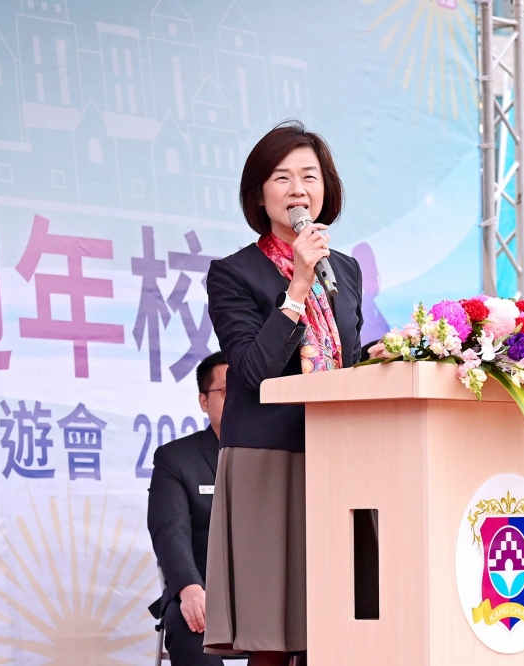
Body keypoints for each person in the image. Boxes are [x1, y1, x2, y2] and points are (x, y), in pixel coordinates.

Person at [203, 121, 364, 666]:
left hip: (341, 454)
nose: (298, 189)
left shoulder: (345, 270)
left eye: (309, 176)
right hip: (269, 457)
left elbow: (348, 360)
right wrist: (297, 284)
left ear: (326, 188)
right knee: (272, 629)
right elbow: (253, 372)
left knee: (340, 618)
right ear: (259, 194)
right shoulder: (234, 274)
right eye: (282, 177)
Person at [147, 352, 228, 666]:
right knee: (188, 626)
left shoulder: (280, 456)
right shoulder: (176, 459)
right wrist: (189, 588)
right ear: (204, 401)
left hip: (269, 597)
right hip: (201, 591)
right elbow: (170, 530)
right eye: (227, 391)